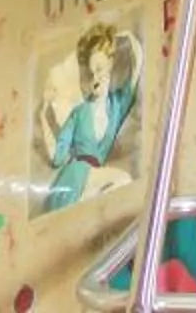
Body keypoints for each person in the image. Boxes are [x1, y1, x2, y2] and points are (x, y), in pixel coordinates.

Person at [41, 26, 135, 213]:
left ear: (111, 64)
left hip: (96, 177)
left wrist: (120, 39)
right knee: (122, 180)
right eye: (90, 72)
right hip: (74, 178)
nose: (95, 77)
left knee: (124, 182)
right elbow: (58, 159)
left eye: (99, 69)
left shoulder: (117, 105)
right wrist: (47, 117)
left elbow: (134, 68)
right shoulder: (78, 112)